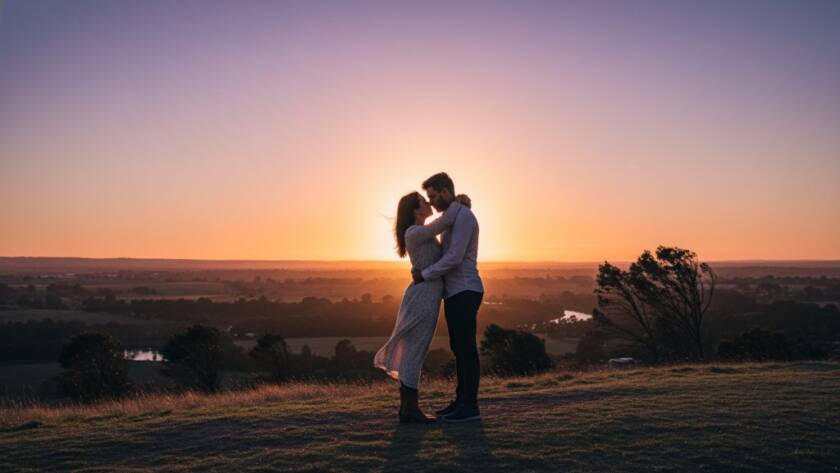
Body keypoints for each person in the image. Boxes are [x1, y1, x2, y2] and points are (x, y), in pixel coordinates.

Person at [374, 189, 470, 423]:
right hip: (422, 297)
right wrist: (458, 203)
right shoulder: (415, 233)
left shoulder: (421, 233)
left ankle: (408, 409)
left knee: (416, 350)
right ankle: (409, 410)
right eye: (423, 201)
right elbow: (445, 221)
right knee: (415, 351)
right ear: (415, 211)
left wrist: (458, 206)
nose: (429, 203)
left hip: (427, 296)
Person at [411, 172, 484, 422]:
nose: (430, 202)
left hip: (465, 289)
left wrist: (425, 275)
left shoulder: (463, 217)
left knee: (466, 350)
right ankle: (461, 401)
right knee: (459, 348)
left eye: (432, 196)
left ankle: (470, 406)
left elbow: (454, 258)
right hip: (455, 292)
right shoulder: (452, 215)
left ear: (445, 191)